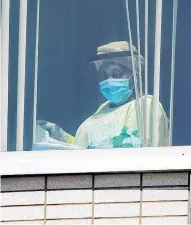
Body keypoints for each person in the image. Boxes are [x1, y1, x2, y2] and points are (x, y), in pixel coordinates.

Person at [37, 41, 169, 149]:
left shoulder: (145, 107)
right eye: (105, 75)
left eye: (117, 74)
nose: (109, 79)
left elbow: (142, 154)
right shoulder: (100, 112)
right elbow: (89, 149)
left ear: (135, 75)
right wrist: (61, 137)